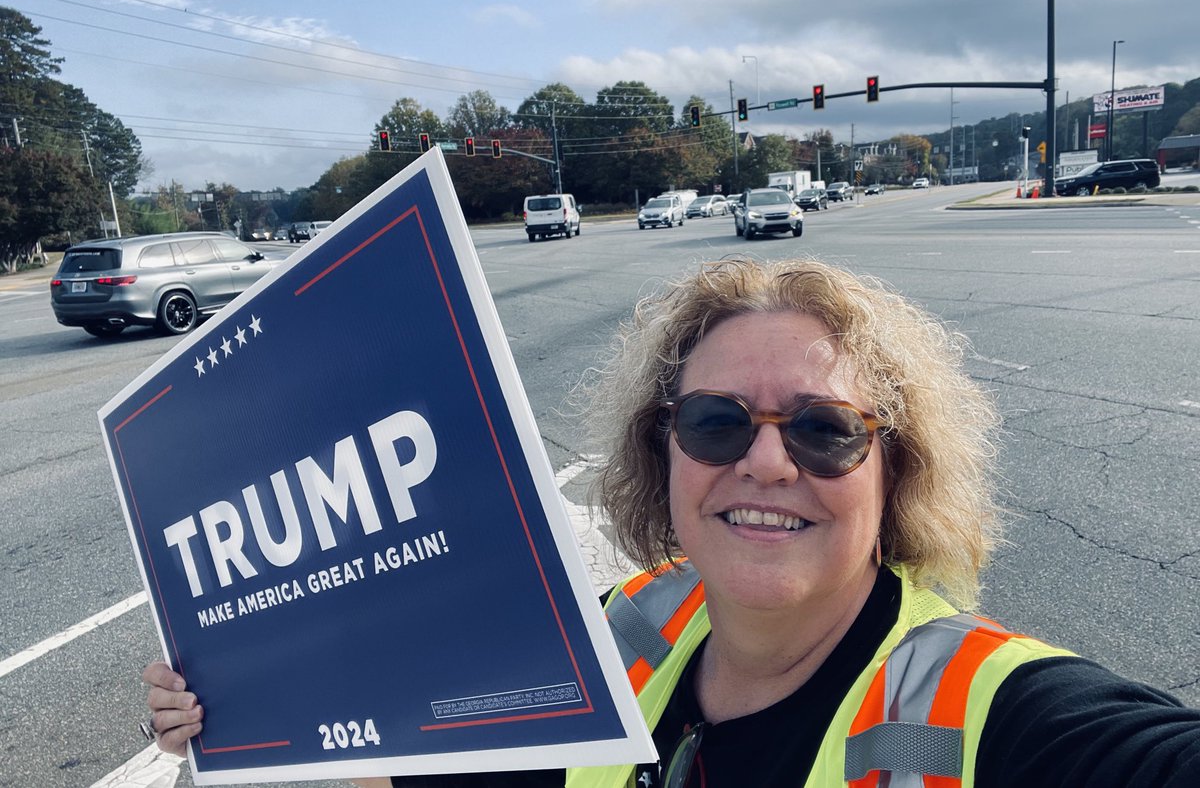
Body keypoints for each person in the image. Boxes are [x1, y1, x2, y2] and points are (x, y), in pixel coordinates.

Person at [143, 258, 1200, 787]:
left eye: (828, 431)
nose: (768, 461)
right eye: (717, 421)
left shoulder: (998, 712)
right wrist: (240, 710)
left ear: (896, 470)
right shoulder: (619, 635)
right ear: (665, 453)